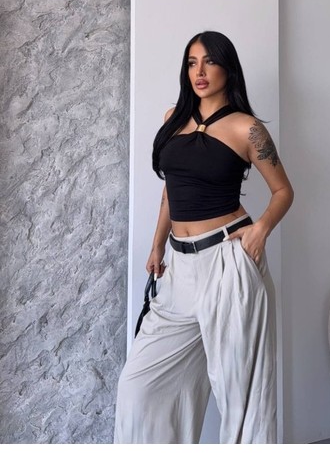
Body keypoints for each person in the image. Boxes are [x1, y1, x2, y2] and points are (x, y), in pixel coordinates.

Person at [114, 30, 294, 444]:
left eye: (210, 61)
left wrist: (261, 230)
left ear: (227, 68)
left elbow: (284, 191)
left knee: (241, 396)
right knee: (139, 389)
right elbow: (171, 189)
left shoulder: (247, 129)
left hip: (227, 262)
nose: (200, 71)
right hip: (179, 268)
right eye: (192, 62)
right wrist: (157, 244)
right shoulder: (173, 118)